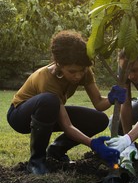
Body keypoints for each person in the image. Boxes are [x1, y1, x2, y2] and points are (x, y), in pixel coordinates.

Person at [7, 30, 126, 175]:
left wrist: (112, 98)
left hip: (50, 113)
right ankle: (36, 161)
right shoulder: (46, 78)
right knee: (49, 100)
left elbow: (99, 104)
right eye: (72, 71)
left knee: (99, 120)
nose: (78, 76)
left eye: (81, 70)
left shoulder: (84, 71)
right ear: (59, 64)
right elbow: (67, 126)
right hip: (20, 116)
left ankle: (56, 150)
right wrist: (93, 144)